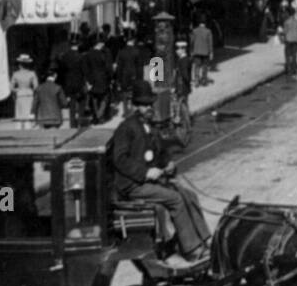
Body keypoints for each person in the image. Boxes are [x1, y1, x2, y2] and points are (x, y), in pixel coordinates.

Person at [107, 80, 210, 269]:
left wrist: (168, 164)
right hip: (132, 185)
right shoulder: (126, 128)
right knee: (175, 199)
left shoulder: (150, 126)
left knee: (189, 194)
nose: (148, 108)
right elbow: (119, 159)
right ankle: (191, 250)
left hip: (148, 181)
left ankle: (204, 241)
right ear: (134, 106)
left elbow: (160, 152)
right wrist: (146, 172)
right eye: (143, 104)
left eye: (149, 104)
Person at [57, 39, 87, 126]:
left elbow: (61, 71)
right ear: (77, 45)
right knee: (81, 102)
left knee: (72, 104)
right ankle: (81, 121)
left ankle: (72, 123)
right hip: (79, 82)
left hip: (69, 83)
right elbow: (84, 70)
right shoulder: (81, 57)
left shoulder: (65, 56)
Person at [82, 38, 112, 122]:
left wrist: (88, 80)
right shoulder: (103, 55)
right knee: (104, 98)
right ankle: (100, 114)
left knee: (94, 98)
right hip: (103, 79)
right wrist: (110, 78)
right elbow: (108, 68)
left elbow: (85, 69)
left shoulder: (87, 55)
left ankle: (96, 115)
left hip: (92, 80)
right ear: (99, 44)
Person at [10, 53, 39, 126]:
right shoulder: (32, 73)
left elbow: (11, 87)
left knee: (20, 114)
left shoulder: (16, 74)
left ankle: (20, 129)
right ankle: (29, 128)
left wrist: (17, 90)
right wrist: (31, 90)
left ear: (20, 64)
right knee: (29, 113)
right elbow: (36, 86)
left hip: (20, 94)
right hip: (29, 94)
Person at [281, 2, 297, 77]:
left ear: (288, 13)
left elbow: (285, 32)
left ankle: (288, 70)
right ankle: (294, 70)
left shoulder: (286, 22)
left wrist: (281, 33)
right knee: (294, 55)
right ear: (294, 13)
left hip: (288, 40)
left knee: (287, 55)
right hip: (296, 41)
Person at [191, 18, 214, 87]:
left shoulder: (194, 31)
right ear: (205, 24)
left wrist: (191, 50)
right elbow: (210, 43)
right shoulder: (208, 31)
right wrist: (211, 52)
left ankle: (196, 80)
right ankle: (204, 80)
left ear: (199, 24)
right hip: (205, 52)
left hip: (197, 51)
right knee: (205, 66)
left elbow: (192, 41)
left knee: (197, 66)